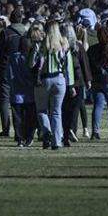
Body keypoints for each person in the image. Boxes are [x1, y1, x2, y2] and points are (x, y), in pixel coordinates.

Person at [32, 21, 72, 150]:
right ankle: (57, 141)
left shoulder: (42, 44)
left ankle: (46, 130)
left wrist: (34, 49)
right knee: (56, 112)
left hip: (44, 80)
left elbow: (31, 64)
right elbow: (68, 66)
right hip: (60, 79)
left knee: (42, 110)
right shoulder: (64, 44)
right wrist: (71, 85)